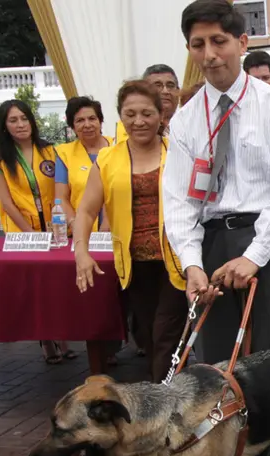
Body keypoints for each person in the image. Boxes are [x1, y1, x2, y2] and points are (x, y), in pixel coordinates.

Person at [163, 0, 270, 456]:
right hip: (212, 246)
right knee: (219, 368)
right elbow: (178, 201)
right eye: (198, 44)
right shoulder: (185, 119)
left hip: (268, 245)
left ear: (243, 43)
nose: (209, 54)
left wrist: (255, 256)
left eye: (219, 41)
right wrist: (191, 265)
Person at [72, 80, 188, 383]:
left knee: (166, 337)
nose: (139, 121)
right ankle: (172, 396)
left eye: (147, 113)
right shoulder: (108, 159)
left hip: (177, 262)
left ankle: (163, 403)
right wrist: (81, 252)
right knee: (148, 338)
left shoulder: (179, 153)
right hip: (134, 266)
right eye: (130, 114)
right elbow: (86, 211)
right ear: (120, 117)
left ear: (161, 114)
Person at [0, 99, 75, 366]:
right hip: (23, 233)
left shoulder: (51, 151)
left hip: (56, 229)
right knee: (35, 289)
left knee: (57, 285)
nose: (20, 124)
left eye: (24, 118)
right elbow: (6, 202)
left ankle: (63, 336)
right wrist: (30, 233)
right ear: (4, 126)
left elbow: (63, 190)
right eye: (13, 120)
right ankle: (46, 340)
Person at [54, 97, 112, 233]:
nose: (87, 125)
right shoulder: (65, 154)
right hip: (82, 232)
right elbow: (61, 198)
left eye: (92, 118)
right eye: (80, 120)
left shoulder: (118, 146)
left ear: (100, 121)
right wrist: (75, 225)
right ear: (72, 126)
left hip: (119, 231)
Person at [115, 64, 181, 142]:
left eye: (170, 86)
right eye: (157, 85)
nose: (165, 91)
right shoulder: (130, 127)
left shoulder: (188, 123)